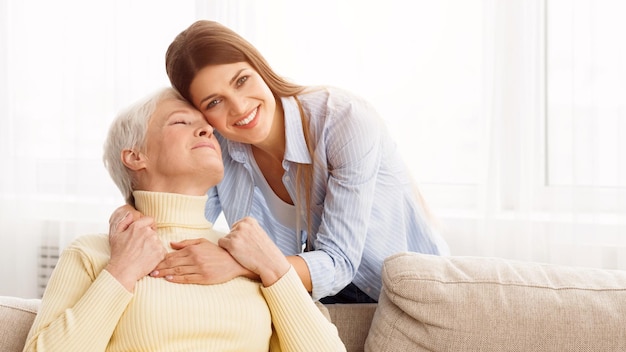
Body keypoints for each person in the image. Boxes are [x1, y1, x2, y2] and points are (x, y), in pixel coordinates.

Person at [110, 20, 450, 304]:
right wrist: (131, 213)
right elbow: (184, 218)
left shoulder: (343, 120)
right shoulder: (222, 148)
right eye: (215, 101)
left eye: (241, 80)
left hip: (411, 290)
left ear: (259, 67)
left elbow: (341, 262)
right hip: (314, 290)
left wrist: (240, 264)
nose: (240, 107)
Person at [23, 87, 346, 352]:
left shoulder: (249, 254)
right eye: (181, 122)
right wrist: (121, 272)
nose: (208, 129)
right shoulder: (94, 253)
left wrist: (275, 268)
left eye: (206, 125)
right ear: (136, 156)